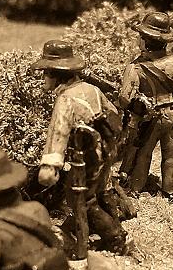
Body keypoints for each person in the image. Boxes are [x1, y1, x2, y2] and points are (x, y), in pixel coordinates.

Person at [33, 40, 130, 255]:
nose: (43, 78)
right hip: (105, 150)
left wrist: (50, 167)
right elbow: (113, 113)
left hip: (87, 157)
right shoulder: (92, 89)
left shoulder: (65, 100)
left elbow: (58, 135)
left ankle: (114, 236)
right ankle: (80, 228)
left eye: (46, 73)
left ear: (56, 74)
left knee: (81, 199)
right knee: (99, 191)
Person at [119, 12, 173, 199]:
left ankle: (135, 188)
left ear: (145, 41)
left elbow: (124, 99)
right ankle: (172, 190)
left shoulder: (134, 68)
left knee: (142, 154)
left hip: (149, 118)